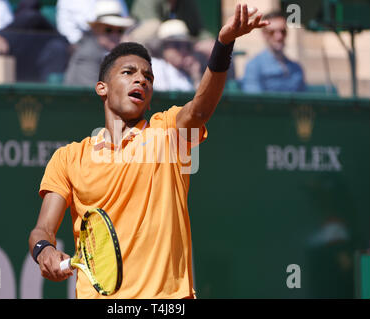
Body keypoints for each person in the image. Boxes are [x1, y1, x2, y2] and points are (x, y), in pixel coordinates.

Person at [28, 4, 269, 299]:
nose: (141, 79)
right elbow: (42, 231)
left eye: (148, 77)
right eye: (128, 72)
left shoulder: (167, 134)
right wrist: (45, 251)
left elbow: (200, 109)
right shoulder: (68, 158)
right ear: (102, 88)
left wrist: (224, 44)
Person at [63, 0, 134, 87]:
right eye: (108, 30)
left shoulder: (114, 53)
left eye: (120, 31)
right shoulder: (88, 55)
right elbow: (95, 95)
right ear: (96, 29)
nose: (115, 35)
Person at [241, 10, 306, 93]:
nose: (279, 36)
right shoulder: (254, 66)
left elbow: (303, 103)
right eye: (272, 32)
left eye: (283, 31)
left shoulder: (296, 68)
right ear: (264, 34)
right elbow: (254, 101)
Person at [56, 0, 129, 49]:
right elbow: (68, 33)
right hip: (84, 44)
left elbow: (123, 22)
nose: (114, 34)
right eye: (109, 30)